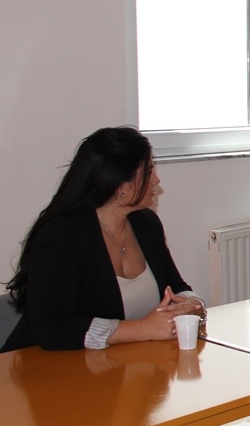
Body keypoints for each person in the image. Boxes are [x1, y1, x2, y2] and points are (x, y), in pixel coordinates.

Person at [3, 127, 205, 352]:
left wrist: (194, 305)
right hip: (42, 366)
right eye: (148, 172)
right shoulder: (60, 237)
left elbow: (176, 288)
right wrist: (142, 329)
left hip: (117, 363)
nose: (156, 180)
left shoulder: (146, 223)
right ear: (119, 185)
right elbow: (53, 329)